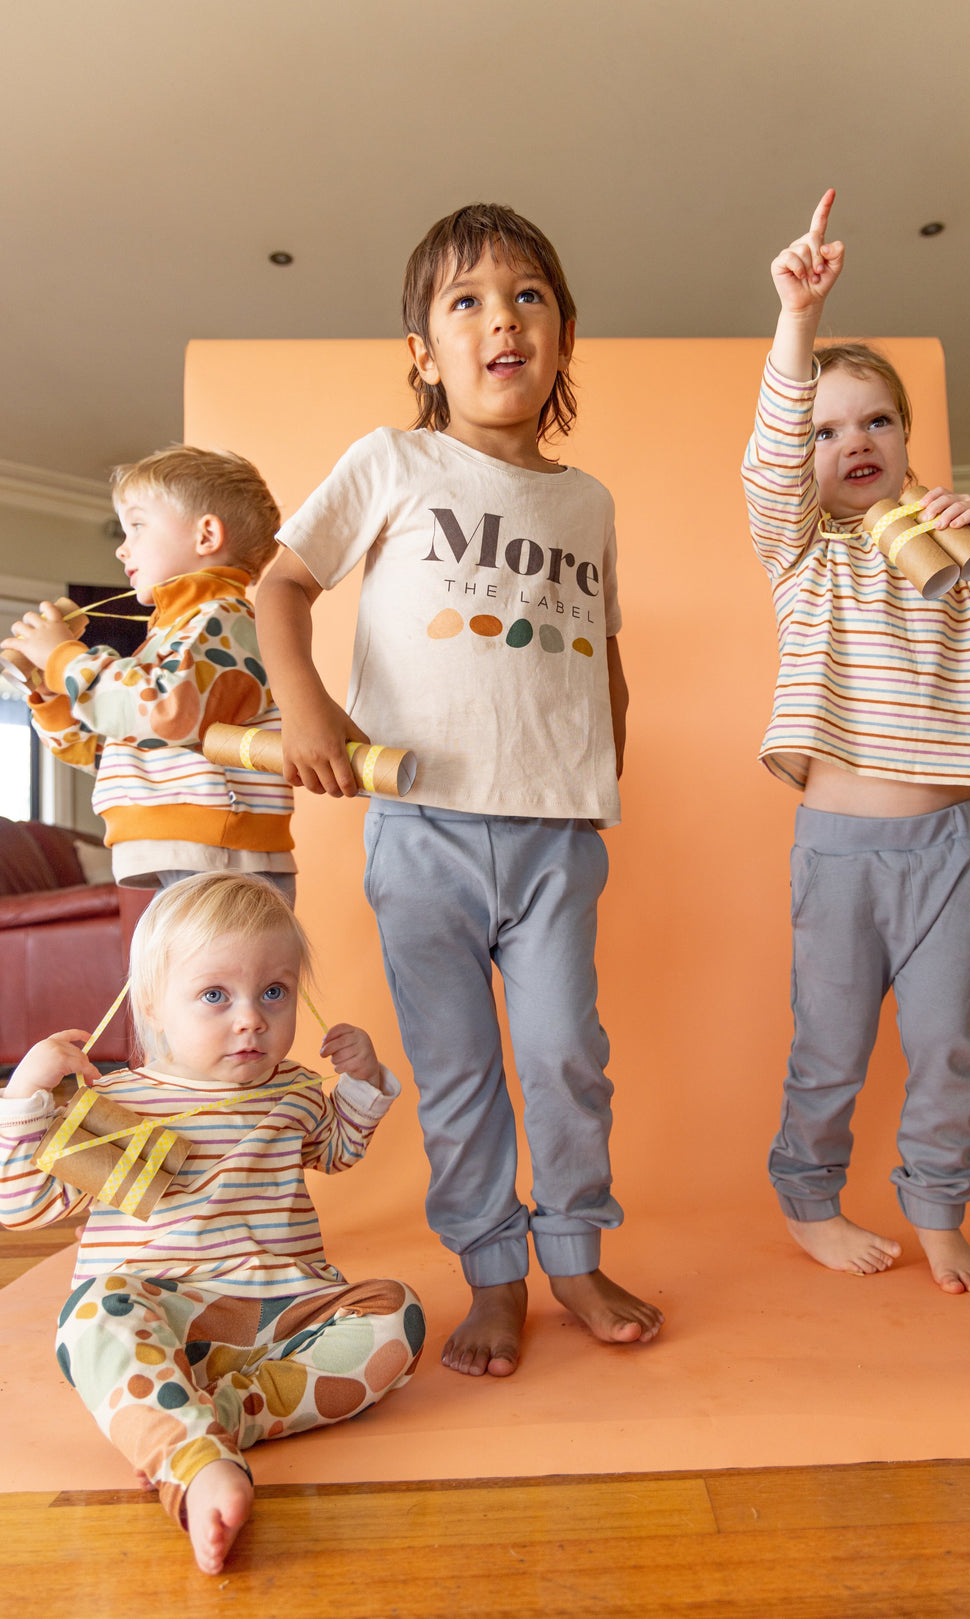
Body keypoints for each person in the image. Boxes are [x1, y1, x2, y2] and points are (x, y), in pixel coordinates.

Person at [255, 202, 663, 1377]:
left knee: (563, 1052)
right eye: (468, 300)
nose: (503, 319)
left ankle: (575, 1250)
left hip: (555, 839)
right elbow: (284, 584)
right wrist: (308, 706)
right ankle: (495, 1274)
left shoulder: (587, 502)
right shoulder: (396, 461)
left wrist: (605, 762)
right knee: (461, 1069)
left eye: (528, 295)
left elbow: (607, 654)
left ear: (563, 334)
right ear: (426, 353)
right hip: (422, 830)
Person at [743, 190, 970, 1293]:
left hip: (947, 856)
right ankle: (811, 1202)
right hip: (837, 853)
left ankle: (937, 1203)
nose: (851, 441)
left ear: (908, 439)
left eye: (875, 419)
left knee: (951, 1047)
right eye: (826, 430)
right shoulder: (801, 553)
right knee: (829, 1048)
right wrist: (799, 319)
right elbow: (770, 464)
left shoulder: (949, 554)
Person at [0, 873, 425, 1575]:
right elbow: (20, 1206)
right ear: (154, 1009)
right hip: (161, 1310)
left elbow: (337, 1150)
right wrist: (23, 1098)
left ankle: (217, 1413)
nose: (251, 1018)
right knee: (93, 1318)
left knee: (398, 1315)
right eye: (215, 995)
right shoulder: (117, 1100)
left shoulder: (291, 1091)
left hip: (283, 1314)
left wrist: (361, 1081)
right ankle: (195, 1463)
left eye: (275, 991)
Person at [1, 446, 296, 898]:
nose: (122, 548)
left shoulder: (220, 619)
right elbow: (105, 748)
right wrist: (51, 690)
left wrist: (64, 658)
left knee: (217, 970)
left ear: (206, 535)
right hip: (180, 846)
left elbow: (163, 711)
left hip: (217, 848)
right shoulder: (170, 637)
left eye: (137, 525)